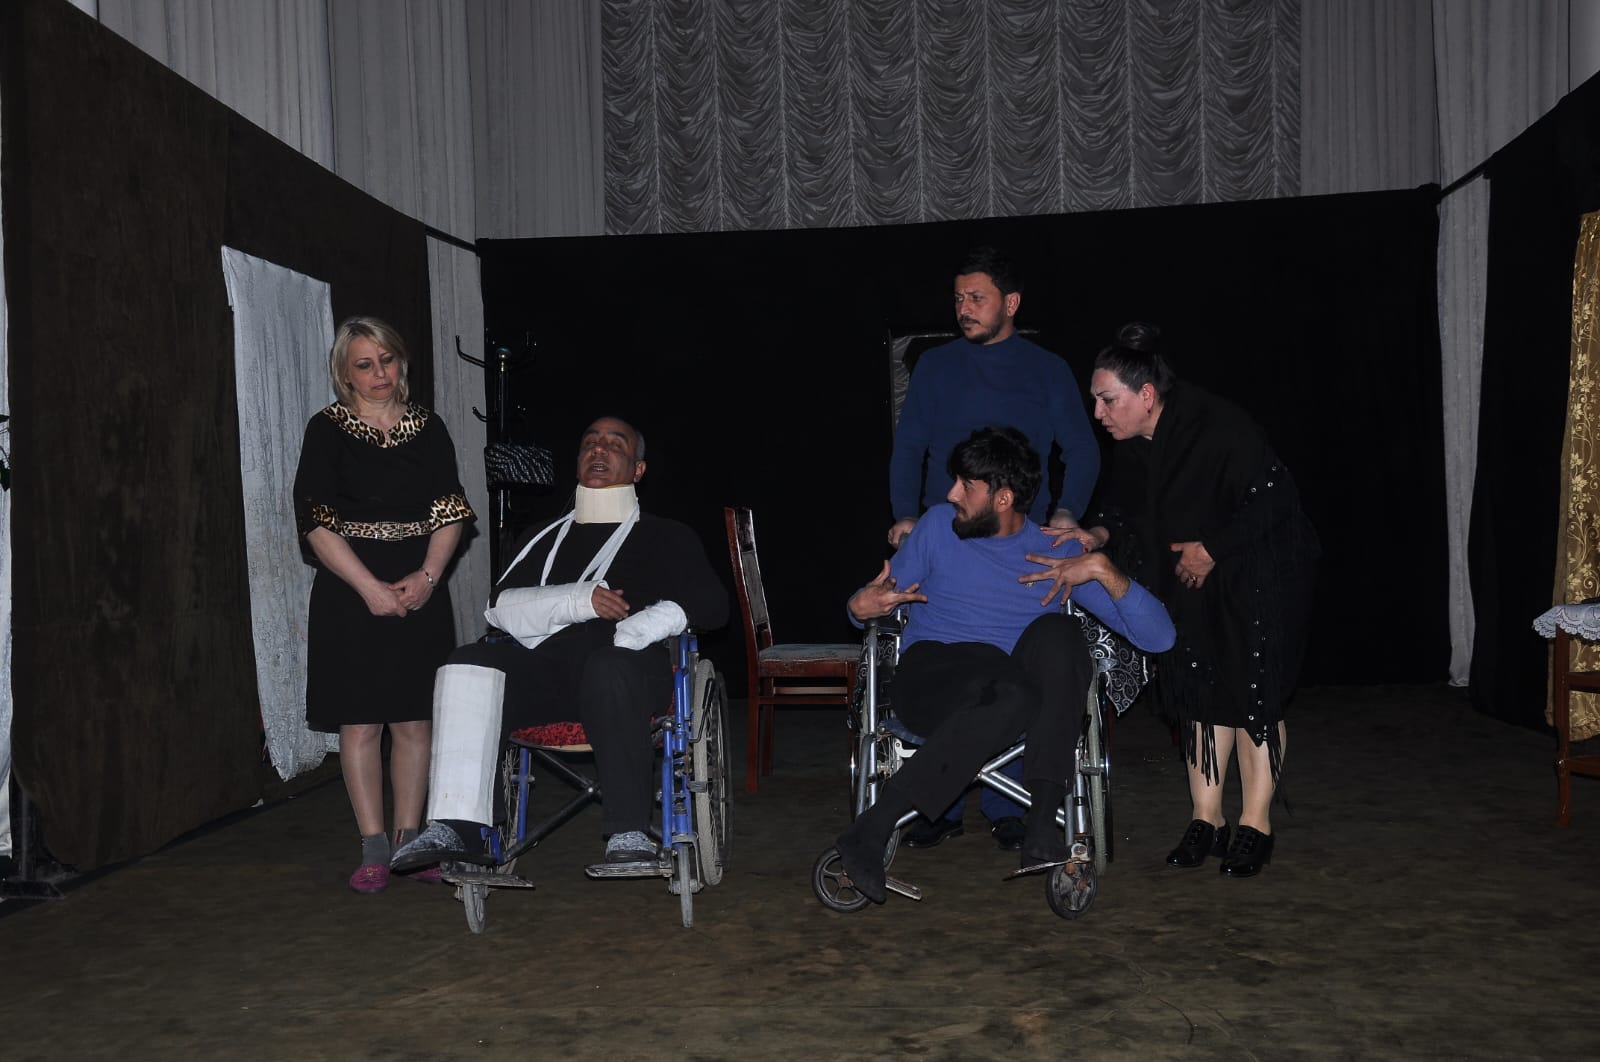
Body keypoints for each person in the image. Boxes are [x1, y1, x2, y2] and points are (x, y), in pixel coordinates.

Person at [835, 426, 1174, 905]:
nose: (951, 494)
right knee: (1012, 690)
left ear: (1004, 498)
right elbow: (873, 598)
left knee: (1059, 636)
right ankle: (871, 830)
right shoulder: (937, 527)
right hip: (933, 677)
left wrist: (1102, 568)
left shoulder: (1058, 552)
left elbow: (1160, 638)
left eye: (965, 485)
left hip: (1011, 694)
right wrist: (860, 607)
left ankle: (1042, 825)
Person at [390, 416, 728, 873]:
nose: (599, 450)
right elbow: (499, 607)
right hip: (549, 676)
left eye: (615, 444)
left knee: (609, 665)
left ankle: (628, 831)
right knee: (469, 662)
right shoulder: (542, 537)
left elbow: (712, 605)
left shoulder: (667, 535)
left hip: (629, 675)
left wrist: (646, 624)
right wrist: (579, 600)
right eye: (590, 442)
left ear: (638, 469)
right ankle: (458, 825)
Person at [1044, 322, 1319, 878]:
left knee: (1253, 693)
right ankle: (1207, 818)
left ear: (1146, 394)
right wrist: (1097, 535)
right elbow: (1127, 511)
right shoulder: (1135, 443)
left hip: (1257, 574)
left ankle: (1256, 825)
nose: (1098, 413)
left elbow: (1275, 498)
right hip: (1191, 580)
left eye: (1107, 400)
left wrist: (1213, 549)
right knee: (1197, 690)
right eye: (1095, 400)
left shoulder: (1217, 424)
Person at [887, 245, 1103, 851]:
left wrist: (1067, 512)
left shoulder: (1047, 369)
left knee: (1017, 657)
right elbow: (909, 447)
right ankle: (940, 805)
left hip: (1019, 545)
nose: (964, 308)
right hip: (950, 539)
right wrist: (905, 516)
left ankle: (1011, 802)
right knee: (955, 657)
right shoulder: (934, 366)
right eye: (958, 298)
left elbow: (1081, 448)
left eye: (976, 298)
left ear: (1011, 303)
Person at [292, 316, 475, 894]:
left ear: (402, 362)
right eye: (365, 365)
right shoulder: (326, 430)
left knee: (415, 719)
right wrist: (368, 588)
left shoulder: (430, 427)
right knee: (362, 722)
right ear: (345, 374)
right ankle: (373, 847)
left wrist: (427, 577)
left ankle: (410, 845)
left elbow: (450, 510)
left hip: (420, 585)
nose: (379, 374)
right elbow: (316, 522)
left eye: (387, 360)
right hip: (350, 590)